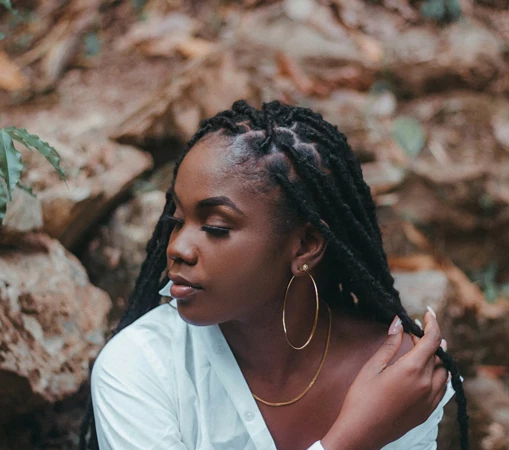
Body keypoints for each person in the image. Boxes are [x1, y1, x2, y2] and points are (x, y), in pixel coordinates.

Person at [80, 100, 468, 450]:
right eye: (177, 220)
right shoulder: (143, 368)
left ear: (304, 247)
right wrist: (353, 438)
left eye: (215, 226)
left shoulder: (398, 376)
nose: (178, 247)